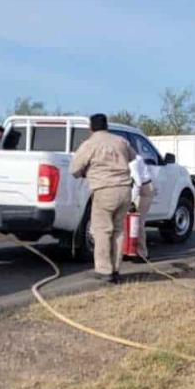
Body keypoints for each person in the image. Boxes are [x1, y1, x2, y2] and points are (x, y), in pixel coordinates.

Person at [70, 114, 137, 283]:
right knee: (118, 230)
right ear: (107, 126)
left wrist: (86, 171)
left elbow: (74, 169)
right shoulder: (121, 141)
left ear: (91, 128)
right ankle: (115, 269)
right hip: (125, 189)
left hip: (104, 190)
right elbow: (132, 156)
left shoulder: (90, 144)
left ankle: (103, 270)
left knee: (101, 230)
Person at [128, 152, 155, 259]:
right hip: (135, 187)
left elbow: (137, 182)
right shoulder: (126, 157)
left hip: (144, 189)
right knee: (128, 220)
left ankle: (142, 253)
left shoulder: (132, 161)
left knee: (138, 221)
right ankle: (129, 249)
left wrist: (131, 201)